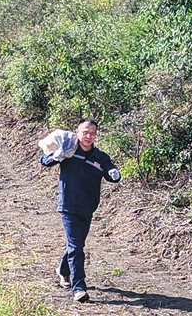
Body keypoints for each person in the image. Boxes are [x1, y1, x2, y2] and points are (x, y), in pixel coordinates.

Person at [39, 119, 121, 303]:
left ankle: (63, 270)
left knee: (76, 245)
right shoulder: (68, 150)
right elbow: (44, 160)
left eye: (92, 133)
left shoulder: (100, 157)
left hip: (88, 207)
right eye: (85, 132)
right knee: (77, 248)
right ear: (77, 132)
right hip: (68, 206)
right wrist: (57, 156)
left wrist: (114, 174)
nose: (88, 136)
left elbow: (111, 172)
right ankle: (79, 288)